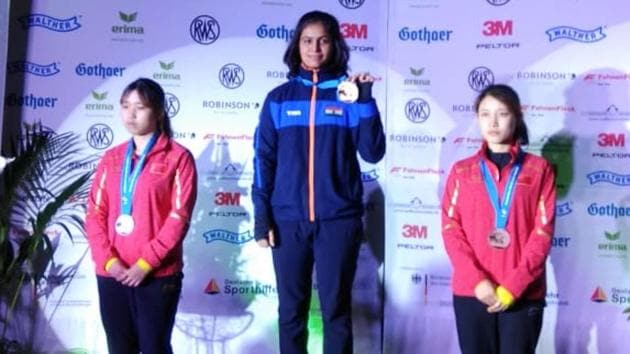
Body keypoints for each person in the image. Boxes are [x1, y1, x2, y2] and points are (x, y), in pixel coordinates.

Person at [252, 10, 386, 354]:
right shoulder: (279, 99)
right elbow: (263, 161)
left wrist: (366, 99)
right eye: (307, 40)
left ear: (335, 45)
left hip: (337, 222)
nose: (315, 48)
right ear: (297, 45)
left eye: (323, 40)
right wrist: (262, 216)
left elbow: (373, 152)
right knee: (291, 314)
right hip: (287, 222)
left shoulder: (348, 96)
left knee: (336, 312)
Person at [441, 84, 556, 354]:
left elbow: (542, 235)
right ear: (477, 118)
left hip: (523, 294)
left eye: (502, 114)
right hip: (472, 292)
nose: (493, 122)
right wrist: (477, 281)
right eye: (485, 114)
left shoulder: (539, 170)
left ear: (516, 118)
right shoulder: (462, 171)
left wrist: (513, 287)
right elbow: (450, 230)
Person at [86, 78, 197, 354]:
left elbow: (179, 217)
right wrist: (109, 262)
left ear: (159, 112)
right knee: (119, 348)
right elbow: (94, 214)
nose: (130, 114)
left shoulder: (178, 158)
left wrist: (145, 264)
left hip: (157, 275)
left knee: (154, 348)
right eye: (125, 106)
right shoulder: (111, 158)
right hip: (112, 273)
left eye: (140, 107)